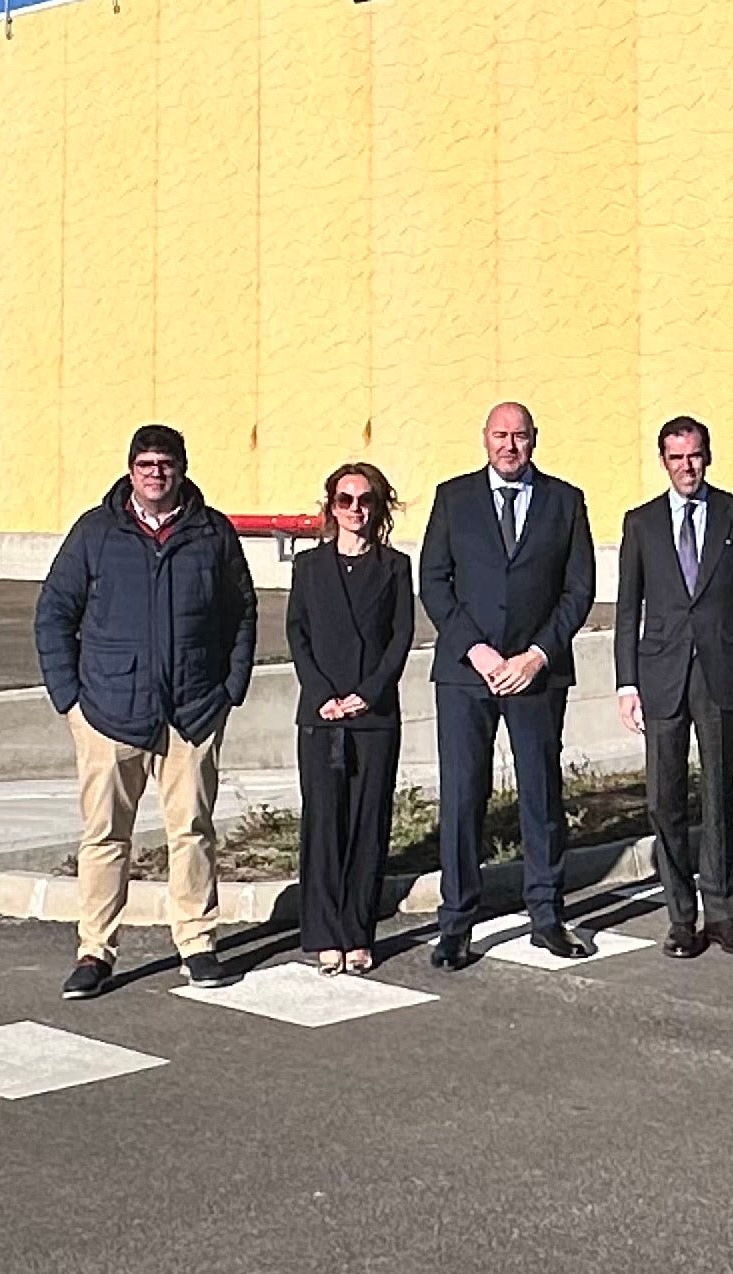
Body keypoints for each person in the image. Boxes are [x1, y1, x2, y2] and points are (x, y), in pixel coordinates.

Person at [34, 424, 259, 997]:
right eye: (145, 464)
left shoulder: (212, 533)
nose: (155, 473)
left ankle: (197, 943)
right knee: (106, 835)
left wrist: (229, 689)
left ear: (182, 469)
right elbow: (55, 613)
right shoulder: (96, 532)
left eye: (166, 463)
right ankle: (95, 951)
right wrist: (70, 701)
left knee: (192, 831)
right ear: (131, 470)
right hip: (109, 712)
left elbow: (242, 612)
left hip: (192, 712)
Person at [415, 401, 597, 968]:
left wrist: (537, 655)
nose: (510, 446)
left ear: (535, 439)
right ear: (485, 439)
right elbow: (434, 582)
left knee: (541, 796)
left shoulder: (566, 501)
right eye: (501, 435)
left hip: (536, 674)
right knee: (464, 796)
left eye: (520, 436)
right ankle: (457, 924)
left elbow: (579, 588)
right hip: (468, 673)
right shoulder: (454, 497)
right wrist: (479, 650)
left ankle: (546, 915)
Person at [612, 415, 733, 958]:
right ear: (663, 461)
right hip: (661, 675)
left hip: (722, 672)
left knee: (719, 797)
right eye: (678, 457)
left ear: (708, 456)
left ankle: (724, 913)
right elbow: (627, 607)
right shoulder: (641, 523)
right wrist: (626, 681)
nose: (688, 466)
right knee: (665, 800)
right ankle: (681, 917)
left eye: (696, 455)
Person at [286, 461, 415, 974]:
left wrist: (366, 694)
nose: (355, 510)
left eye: (365, 500)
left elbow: (400, 638)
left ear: (378, 507)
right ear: (330, 506)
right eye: (345, 499)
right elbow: (298, 634)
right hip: (320, 714)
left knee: (367, 825)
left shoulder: (395, 567)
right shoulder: (309, 567)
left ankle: (358, 933)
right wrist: (322, 694)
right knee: (323, 824)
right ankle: (323, 935)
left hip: (373, 716)